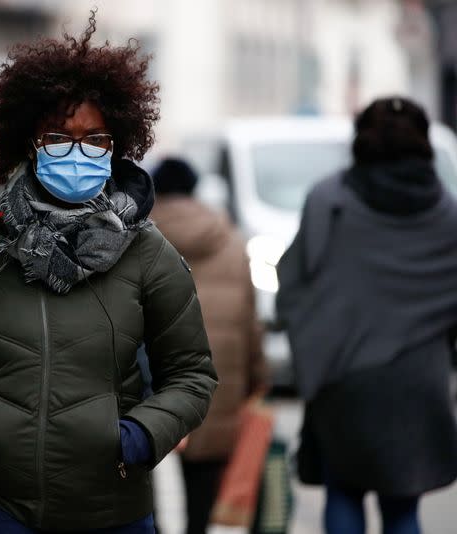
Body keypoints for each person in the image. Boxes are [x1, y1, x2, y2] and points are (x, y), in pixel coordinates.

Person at [0, 13, 218, 534]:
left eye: (94, 139)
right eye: (58, 137)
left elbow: (192, 375)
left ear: (116, 145)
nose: (76, 152)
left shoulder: (150, 254)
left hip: (114, 511)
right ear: (29, 144)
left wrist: (138, 436)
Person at [276, 97, 457, 534]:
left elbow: (295, 281)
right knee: (402, 508)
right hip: (420, 379)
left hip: (344, 374)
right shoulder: (448, 212)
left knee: (344, 492)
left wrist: (310, 349)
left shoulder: (329, 200)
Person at [150, 158, 266, 534]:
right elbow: (251, 322)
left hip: (153, 385)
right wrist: (257, 378)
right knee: (202, 495)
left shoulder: (135, 236)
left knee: (141, 482)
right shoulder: (231, 239)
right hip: (214, 382)